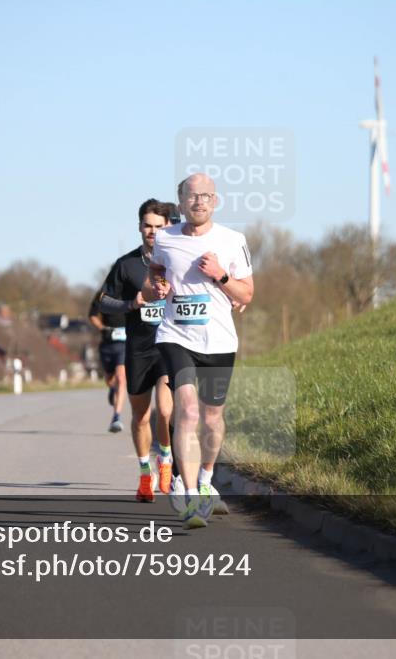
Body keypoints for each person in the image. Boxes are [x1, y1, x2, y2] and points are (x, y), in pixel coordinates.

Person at [144, 173, 255, 529]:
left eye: (206, 196)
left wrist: (220, 275)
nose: (199, 202)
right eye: (192, 196)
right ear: (180, 202)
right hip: (176, 336)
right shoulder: (165, 238)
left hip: (219, 341)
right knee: (188, 411)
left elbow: (247, 294)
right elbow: (155, 273)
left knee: (212, 418)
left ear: (215, 201)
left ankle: (206, 479)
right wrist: (158, 285)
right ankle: (190, 495)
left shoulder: (233, 240)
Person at [97, 199, 177, 502]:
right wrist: (131, 303)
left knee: (166, 411)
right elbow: (104, 301)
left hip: (169, 346)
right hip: (138, 349)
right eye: (148, 226)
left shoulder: (177, 260)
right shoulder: (126, 264)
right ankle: (145, 473)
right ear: (140, 227)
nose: (153, 231)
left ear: (168, 226)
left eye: (159, 226)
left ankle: (166, 458)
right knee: (141, 417)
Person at [89, 286, 127, 433]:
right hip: (107, 344)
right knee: (110, 379)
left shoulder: (130, 292)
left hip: (125, 344)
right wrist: (103, 328)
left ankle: (116, 417)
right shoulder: (103, 294)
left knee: (121, 378)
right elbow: (92, 315)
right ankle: (112, 388)